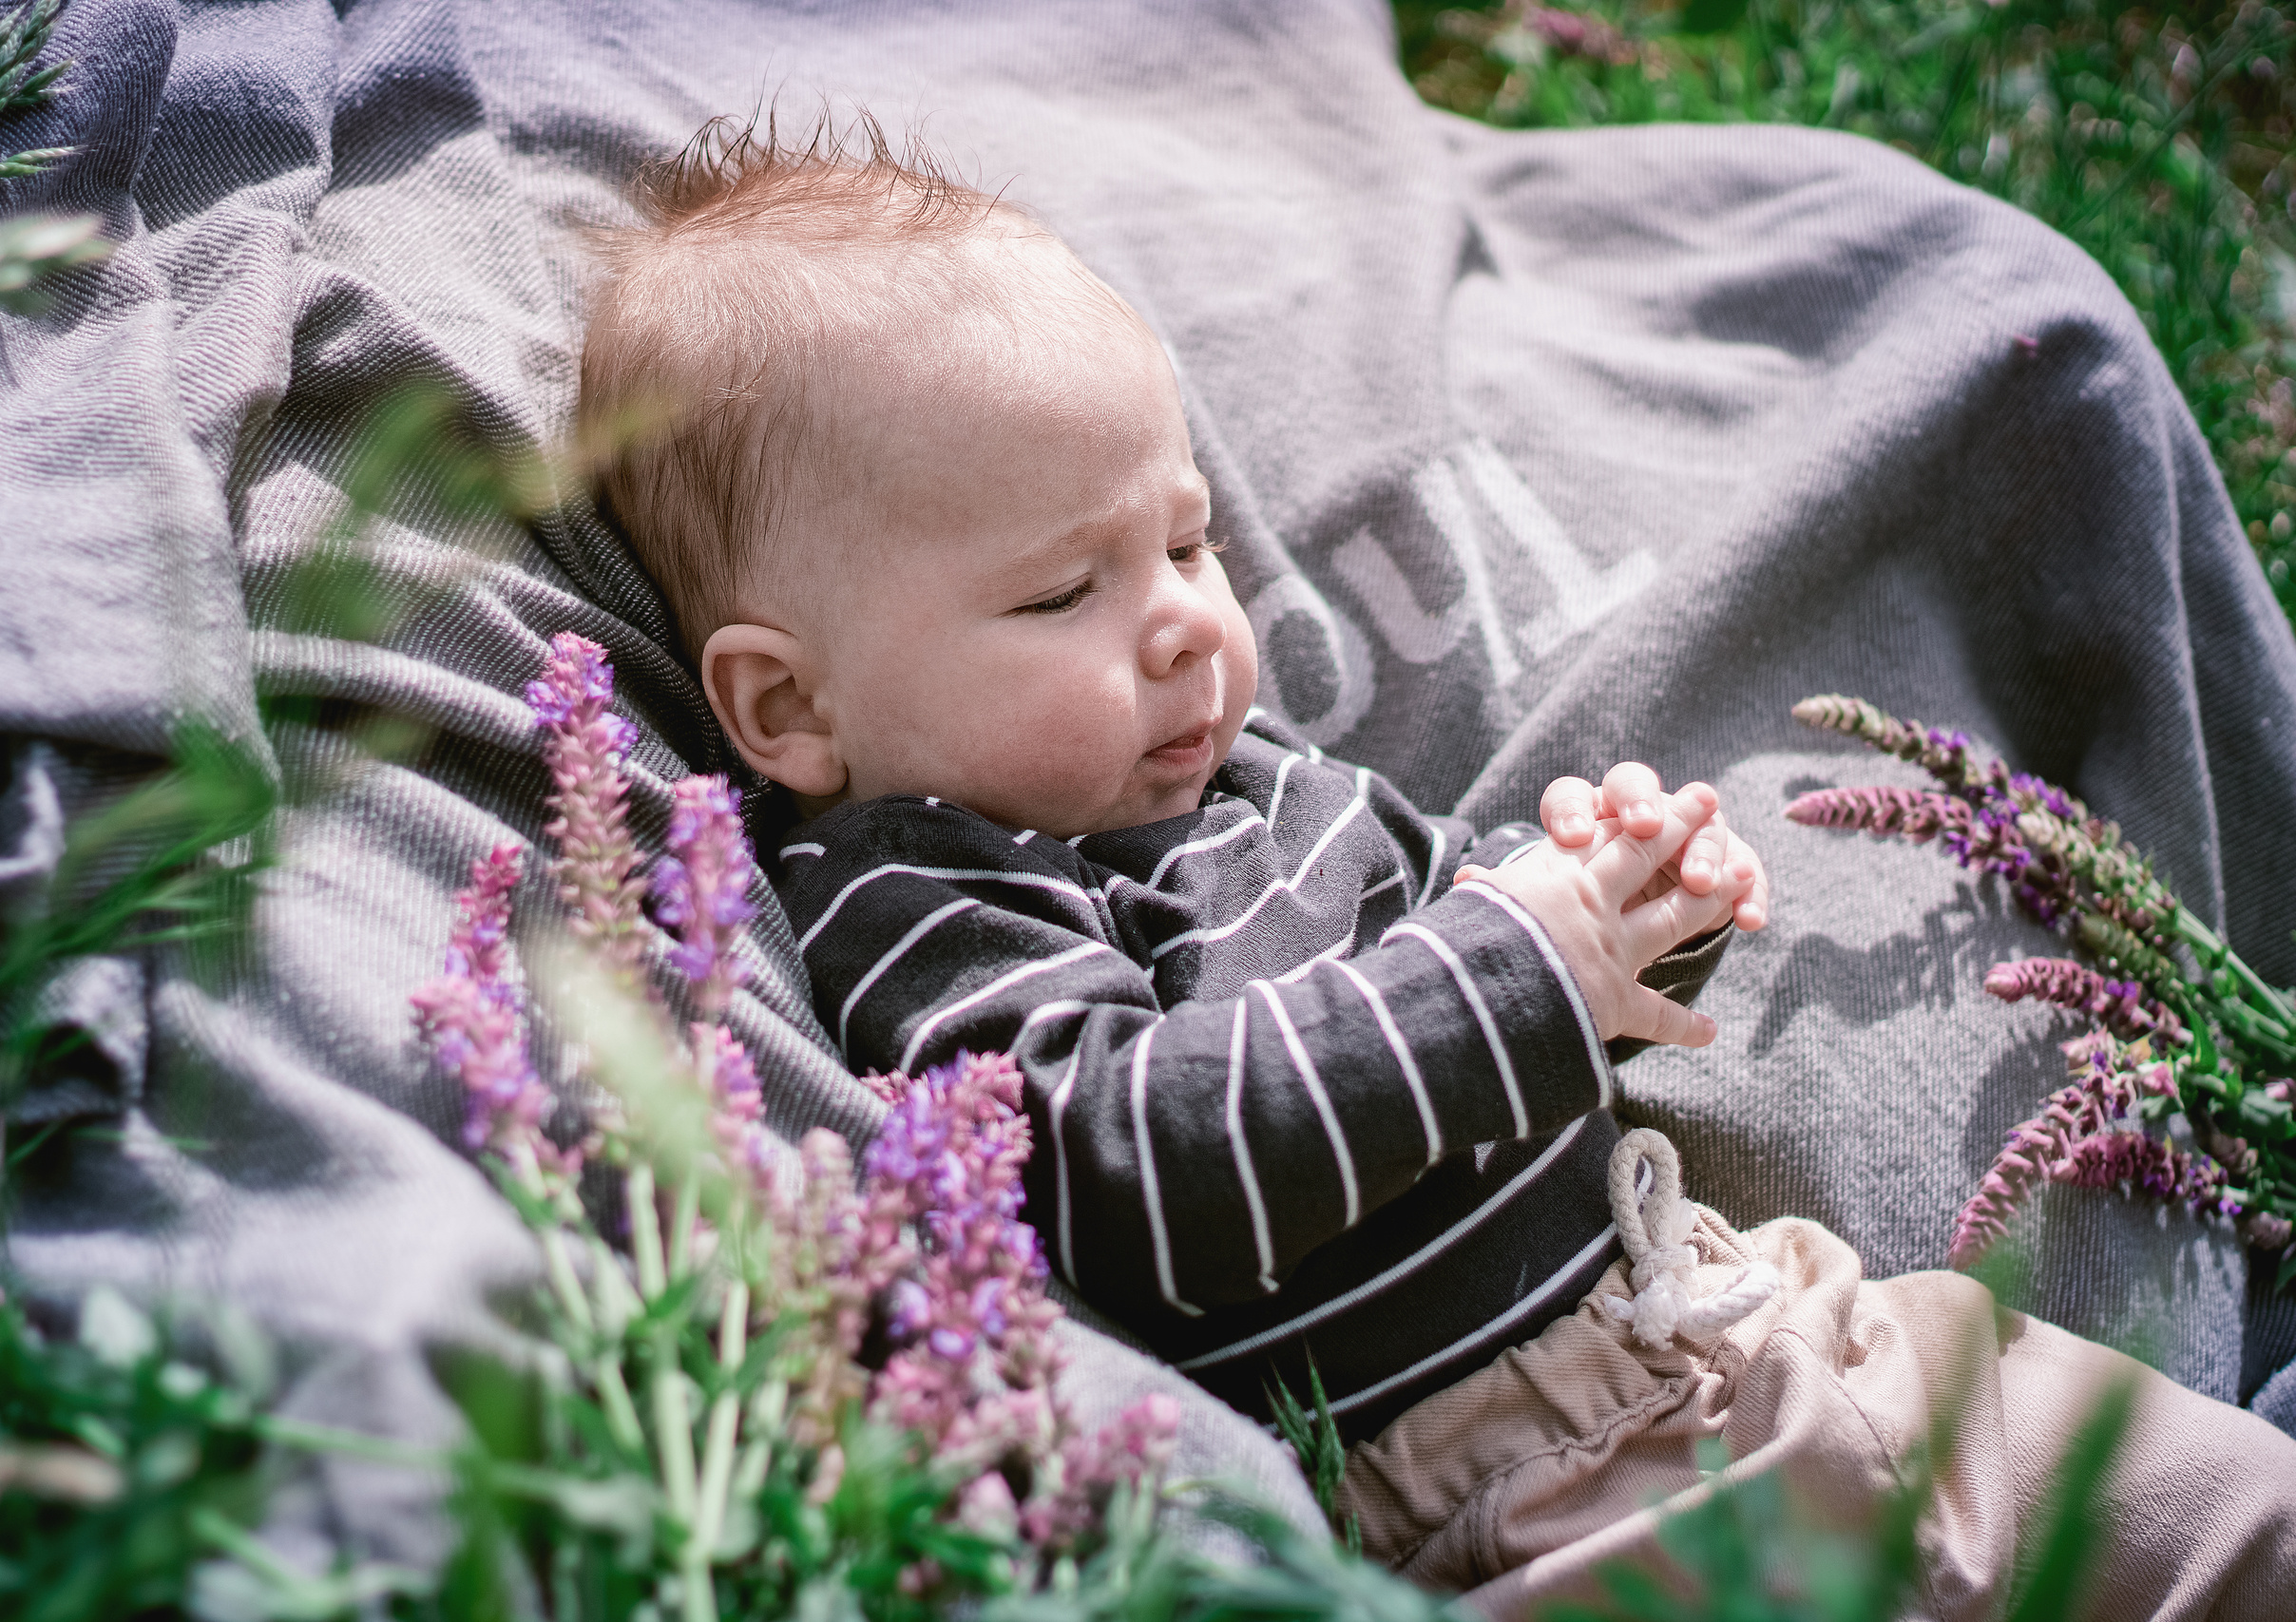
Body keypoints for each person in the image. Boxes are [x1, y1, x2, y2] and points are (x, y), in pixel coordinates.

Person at [579, 117, 2296, 1618]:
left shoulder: (1260, 786)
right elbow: (1134, 1168)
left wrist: (1633, 912)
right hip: (1544, 1500)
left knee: (2230, 1523)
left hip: (1776, 1320)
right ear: (790, 707)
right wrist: (1521, 960)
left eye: (1186, 538)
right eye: (1060, 592)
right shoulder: (924, 899)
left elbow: (1489, 949)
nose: (1182, 624)